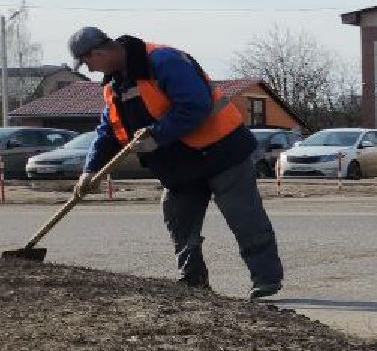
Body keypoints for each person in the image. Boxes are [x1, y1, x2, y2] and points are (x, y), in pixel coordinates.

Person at [68, 27, 284, 299]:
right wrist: (90, 171)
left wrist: (157, 135)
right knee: (178, 217)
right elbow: (108, 132)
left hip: (222, 152)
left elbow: (195, 104)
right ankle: (193, 281)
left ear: (99, 52)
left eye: (87, 62)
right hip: (180, 166)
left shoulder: (163, 60)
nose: (89, 69)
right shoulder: (114, 87)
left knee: (244, 217)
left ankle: (266, 280)